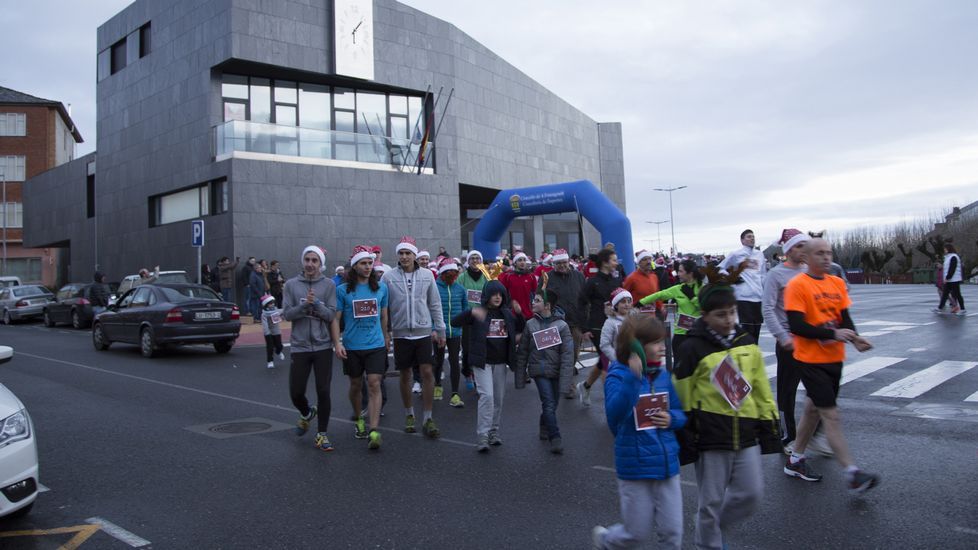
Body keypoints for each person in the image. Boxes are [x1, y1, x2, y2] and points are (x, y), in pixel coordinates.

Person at [674, 281, 780, 549]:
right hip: (710, 437)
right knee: (709, 501)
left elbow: (760, 388)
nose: (729, 319)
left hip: (746, 435)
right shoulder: (691, 348)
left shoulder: (747, 342)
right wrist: (685, 434)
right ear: (705, 315)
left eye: (732, 312)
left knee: (751, 494)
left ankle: (713, 525)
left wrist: (770, 427)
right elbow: (682, 394)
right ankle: (708, 542)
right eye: (721, 314)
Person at [784, 238, 880, 494]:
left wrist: (856, 338)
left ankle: (795, 459)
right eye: (820, 253)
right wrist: (831, 335)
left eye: (829, 253)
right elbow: (796, 326)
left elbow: (844, 319)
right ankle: (852, 473)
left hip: (834, 360)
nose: (826, 258)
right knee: (831, 415)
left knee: (812, 410)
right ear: (806, 257)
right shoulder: (797, 285)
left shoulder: (837, 283)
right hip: (809, 359)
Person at [592, 315, 685, 550]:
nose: (663, 347)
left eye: (663, 341)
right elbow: (614, 414)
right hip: (635, 466)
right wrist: (634, 378)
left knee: (673, 533)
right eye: (656, 343)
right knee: (635, 534)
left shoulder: (663, 376)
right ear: (636, 346)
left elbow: (680, 413)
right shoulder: (618, 375)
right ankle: (605, 540)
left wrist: (671, 418)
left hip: (667, 465)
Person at [762, 229, 824, 455]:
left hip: (812, 340)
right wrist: (782, 337)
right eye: (799, 246)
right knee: (787, 392)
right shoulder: (776, 275)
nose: (803, 250)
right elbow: (767, 309)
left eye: (805, 246)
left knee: (821, 389)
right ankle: (789, 436)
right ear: (788, 250)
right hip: (790, 342)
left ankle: (815, 434)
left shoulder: (811, 272)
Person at [381, 236, 446, 438]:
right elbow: (384, 308)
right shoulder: (388, 277)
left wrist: (440, 329)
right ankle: (409, 414)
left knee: (427, 372)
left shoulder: (427, 275)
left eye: (408, 253)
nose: (404, 256)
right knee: (405, 375)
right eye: (401, 253)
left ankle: (427, 417)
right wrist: (386, 333)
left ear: (414, 255)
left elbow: (435, 303)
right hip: (401, 334)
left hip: (423, 331)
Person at [452, 280, 522, 451]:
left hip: (500, 362)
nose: (497, 297)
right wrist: (471, 312)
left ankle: (493, 431)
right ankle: (482, 436)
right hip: (482, 362)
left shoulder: (506, 313)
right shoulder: (479, 312)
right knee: (487, 397)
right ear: (487, 296)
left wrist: (519, 314)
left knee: (498, 398)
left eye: (500, 294)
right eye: (494, 294)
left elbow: (520, 328)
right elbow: (455, 322)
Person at [332, 245, 389, 451]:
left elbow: (384, 315)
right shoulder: (342, 290)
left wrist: (386, 336)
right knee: (356, 385)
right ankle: (359, 420)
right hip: (352, 346)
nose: (367, 267)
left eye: (369, 263)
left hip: (375, 344)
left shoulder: (381, 287)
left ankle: (374, 430)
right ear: (354, 266)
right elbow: (336, 319)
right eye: (363, 263)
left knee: (374, 383)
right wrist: (337, 342)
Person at [282, 245, 338, 452]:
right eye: (307, 259)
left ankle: (322, 434)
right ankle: (307, 412)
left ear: (321, 263)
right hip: (300, 346)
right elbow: (287, 314)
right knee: (296, 392)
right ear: (302, 261)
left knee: (323, 390)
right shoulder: (291, 285)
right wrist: (305, 306)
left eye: (315, 260)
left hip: (323, 345)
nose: (310, 264)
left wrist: (317, 305)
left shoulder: (329, 285)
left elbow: (331, 315)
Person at [516, 289, 574, 454]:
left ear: (547, 305)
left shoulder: (562, 326)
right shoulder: (530, 324)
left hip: (555, 370)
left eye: (537, 300)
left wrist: (566, 380)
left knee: (553, 404)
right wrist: (521, 376)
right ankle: (555, 437)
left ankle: (544, 424)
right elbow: (523, 352)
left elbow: (568, 355)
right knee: (548, 403)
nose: (533, 303)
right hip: (539, 370)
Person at [576, 248, 622, 405]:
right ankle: (612, 401)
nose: (617, 263)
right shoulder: (592, 282)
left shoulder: (616, 281)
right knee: (607, 361)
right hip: (597, 326)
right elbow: (581, 304)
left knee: (603, 360)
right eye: (614, 260)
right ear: (605, 262)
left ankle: (585, 385)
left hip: (616, 325)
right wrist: (584, 328)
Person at [639, 259, 704, 368]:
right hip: (680, 333)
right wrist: (640, 303)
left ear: (690, 273)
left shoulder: (703, 288)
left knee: (696, 366)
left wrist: (692, 297)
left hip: (697, 332)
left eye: (681, 271)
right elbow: (660, 295)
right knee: (679, 366)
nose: (678, 274)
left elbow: (705, 307)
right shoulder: (678, 288)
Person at [541, 249, 586, 399]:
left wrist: (586, 322)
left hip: (575, 322)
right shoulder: (547, 277)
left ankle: (566, 380)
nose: (561, 265)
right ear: (553, 264)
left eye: (564, 262)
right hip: (555, 323)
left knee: (572, 355)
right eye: (558, 263)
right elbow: (539, 297)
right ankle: (565, 383)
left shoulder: (579, 276)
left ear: (568, 262)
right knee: (557, 355)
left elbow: (585, 300)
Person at [718, 229, 767, 342]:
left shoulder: (759, 254)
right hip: (743, 296)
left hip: (758, 296)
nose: (752, 239)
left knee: (756, 330)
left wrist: (764, 291)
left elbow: (763, 275)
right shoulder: (736, 254)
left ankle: (754, 354)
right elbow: (720, 269)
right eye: (749, 237)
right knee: (746, 330)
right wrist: (732, 277)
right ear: (742, 240)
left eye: (753, 237)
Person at [435, 257, 468, 407]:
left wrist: (464, 325)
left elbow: (465, 309)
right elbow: (429, 308)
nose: (452, 275)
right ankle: (437, 386)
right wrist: (433, 329)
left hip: (455, 331)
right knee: (438, 360)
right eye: (449, 273)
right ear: (442, 273)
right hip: (439, 331)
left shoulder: (460, 289)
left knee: (454, 361)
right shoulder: (434, 287)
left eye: (455, 273)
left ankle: (455, 393)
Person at [499, 251, 538, 321]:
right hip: (513, 313)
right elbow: (502, 293)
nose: (522, 262)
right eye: (520, 260)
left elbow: (536, 293)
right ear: (515, 263)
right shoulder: (508, 277)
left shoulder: (531, 276)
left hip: (529, 313)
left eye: (524, 260)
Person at [623, 250, 662, 316]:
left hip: (652, 316)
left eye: (650, 259)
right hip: (637, 317)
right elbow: (624, 296)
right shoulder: (631, 278)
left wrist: (661, 307)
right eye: (644, 259)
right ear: (639, 263)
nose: (648, 262)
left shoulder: (654, 277)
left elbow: (657, 295)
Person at [935, 243, 966, 315]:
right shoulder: (947, 257)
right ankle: (939, 308)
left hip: (954, 279)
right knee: (945, 294)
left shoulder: (954, 257)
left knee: (957, 294)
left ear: (949, 249)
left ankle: (963, 309)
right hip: (949, 279)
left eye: (945, 249)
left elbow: (952, 268)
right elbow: (946, 269)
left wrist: (947, 277)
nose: (944, 250)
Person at [259, 294, 285, 369]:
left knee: (279, 345)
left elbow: (282, 313)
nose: (272, 304)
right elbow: (265, 324)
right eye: (270, 303)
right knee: (270, 347)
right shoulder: (264, 314)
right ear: (266, 305)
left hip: (276, 331)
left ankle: (278, 351)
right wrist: (267, 333)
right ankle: (270, 361)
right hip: (268, 332)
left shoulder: (276, 310)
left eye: (273, 303)